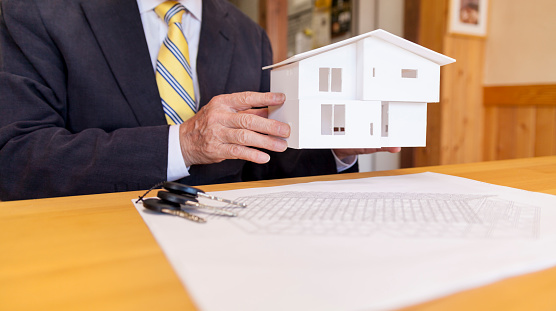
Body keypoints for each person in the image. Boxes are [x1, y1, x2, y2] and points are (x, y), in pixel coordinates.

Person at [0, 0, 398, 201]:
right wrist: (185, 143)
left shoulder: (248, 34)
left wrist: (335, 150)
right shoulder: (33, 11)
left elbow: (263, 163)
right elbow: (17, 157)